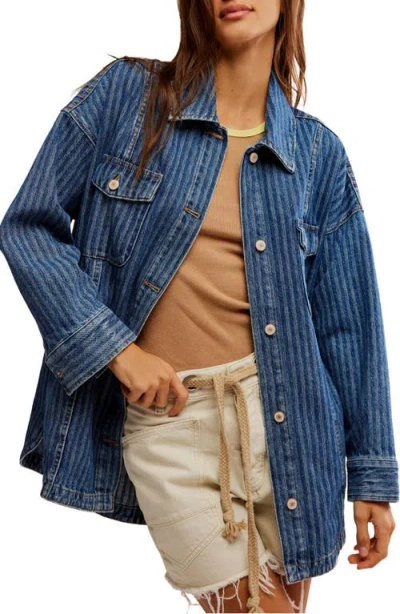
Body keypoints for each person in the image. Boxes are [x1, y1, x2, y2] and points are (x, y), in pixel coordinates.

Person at [0, 1, 398, 613]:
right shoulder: (128, 99)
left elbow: (351, 324)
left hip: (293, 427)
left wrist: (372, 475)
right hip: (173, 424)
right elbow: (29, 227)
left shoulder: (318, 153)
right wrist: (116, 349)